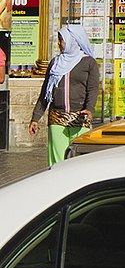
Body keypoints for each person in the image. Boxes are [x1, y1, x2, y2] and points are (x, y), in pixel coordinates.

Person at [28, 24, 98, 164]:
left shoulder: (88, 63)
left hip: (79, 119)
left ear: (73, 40)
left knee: (80, 161)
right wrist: (35, 118)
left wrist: (89, 109)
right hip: (57, 118)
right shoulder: (55, 63)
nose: (59, 44)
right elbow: (45, 93)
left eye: (62, 40)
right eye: (59, 40)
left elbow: (93, 89)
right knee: (57, 160)